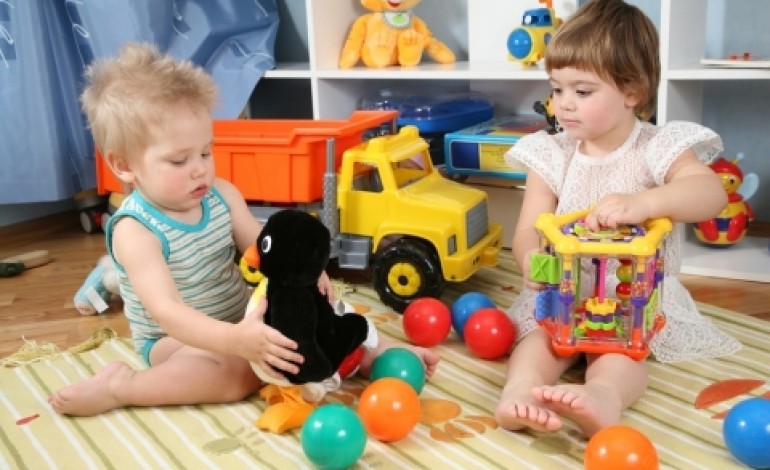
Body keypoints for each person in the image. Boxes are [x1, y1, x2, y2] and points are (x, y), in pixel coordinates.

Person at [49, 43, 439, 417]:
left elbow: (265, 248)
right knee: (236, 375)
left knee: (327, 314)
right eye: (179, 160)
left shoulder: (221, 195)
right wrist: (235, 341)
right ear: (124, 165)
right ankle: (122, 387)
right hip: (177, 341)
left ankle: (379, 350)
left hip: (243, 315)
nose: (200, 169)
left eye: (206, 152)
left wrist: (306, 273)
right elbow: (168, 314)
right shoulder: (135, 230)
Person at [495, 0, 741, 438]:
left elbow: (710, 194)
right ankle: (520, 393)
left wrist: (645, 202)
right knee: (539, 341)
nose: (564, 105)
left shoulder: (656, 146)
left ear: (632, 91)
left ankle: (602, 396)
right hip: (565, 293)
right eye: (557, 89)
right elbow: (530, 228)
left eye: (582, 92)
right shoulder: (552, 152)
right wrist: (530, 258)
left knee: (620, 354)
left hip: (635, 300)